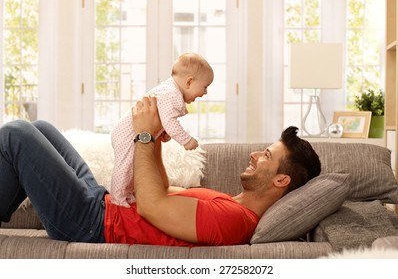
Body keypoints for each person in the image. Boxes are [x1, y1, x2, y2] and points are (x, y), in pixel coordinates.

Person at [0, 96, 321, 246]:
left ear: (282, 180)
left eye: (266, 155)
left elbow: (153, 205)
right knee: (42, 127)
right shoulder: (230, 203)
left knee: (16, 134)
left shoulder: (235, 221)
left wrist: (143, 135)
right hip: (103, 202)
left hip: (91, 224)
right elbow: (159, 191)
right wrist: (152, 141)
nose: (254, 154)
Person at [110, 53, 214, 207]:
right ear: (189, 81)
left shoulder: (170, 91)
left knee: (133, 166)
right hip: (126, 133)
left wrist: (162, 132)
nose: (205, 93)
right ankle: (117, 199)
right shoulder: (171, 94)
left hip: (132, 133)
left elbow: (162, 120)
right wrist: (186, 140)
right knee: (125, 165)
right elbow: (169, 121)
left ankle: (126, 195)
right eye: (205, 87)